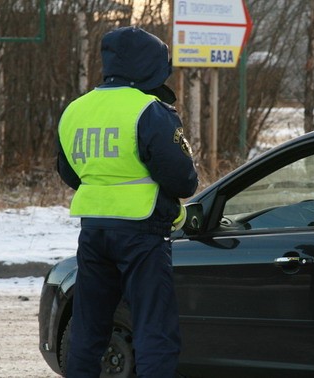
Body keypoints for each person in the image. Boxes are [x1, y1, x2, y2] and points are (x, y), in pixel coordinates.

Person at [57, 26, 198, 378]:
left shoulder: (76, 109)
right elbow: (183, 180)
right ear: (148, 65)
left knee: (88, 330)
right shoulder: (148, 110)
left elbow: (70, 173)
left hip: (93, 233)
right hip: (142, 233)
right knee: (154, 331)